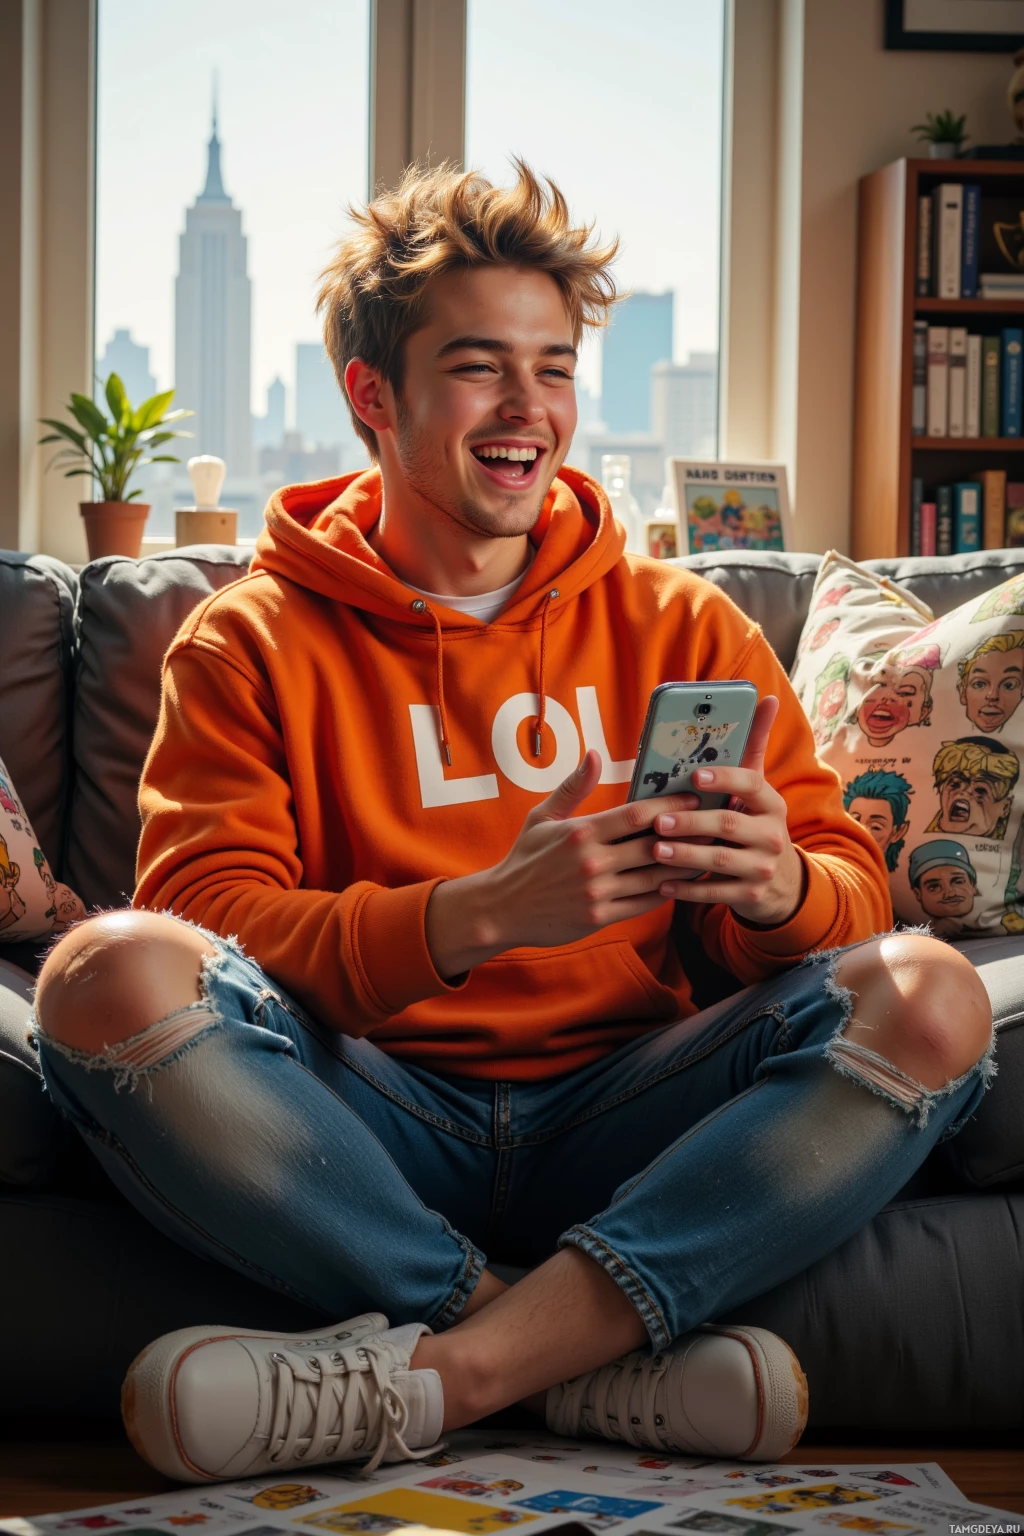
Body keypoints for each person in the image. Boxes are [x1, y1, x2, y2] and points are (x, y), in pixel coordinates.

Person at [31, 162, 993, 1486]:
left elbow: (847, 896)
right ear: (375, 397)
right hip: (367, 1112)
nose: (529, 409)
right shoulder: (246, 640)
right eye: (481, 367)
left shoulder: (684, 625)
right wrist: (478, 916)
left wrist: (779, 892)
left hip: (631, 1100)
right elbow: (212, 926)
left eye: (554, 367)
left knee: (934, 998)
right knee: (100, 977)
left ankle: (461, 1374)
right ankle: (581, 1357)